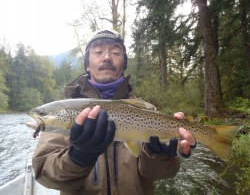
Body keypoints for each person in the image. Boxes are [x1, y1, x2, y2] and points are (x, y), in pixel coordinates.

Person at [32, 29, 196, 195]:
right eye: (98, 51)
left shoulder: (147, 110)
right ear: (87, 65)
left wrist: (159, 155)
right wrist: (79, 157)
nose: (107, 57)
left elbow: (161, 174)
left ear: (123, 65)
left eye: (116, 52)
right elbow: (45, 174)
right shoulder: (68, 109)